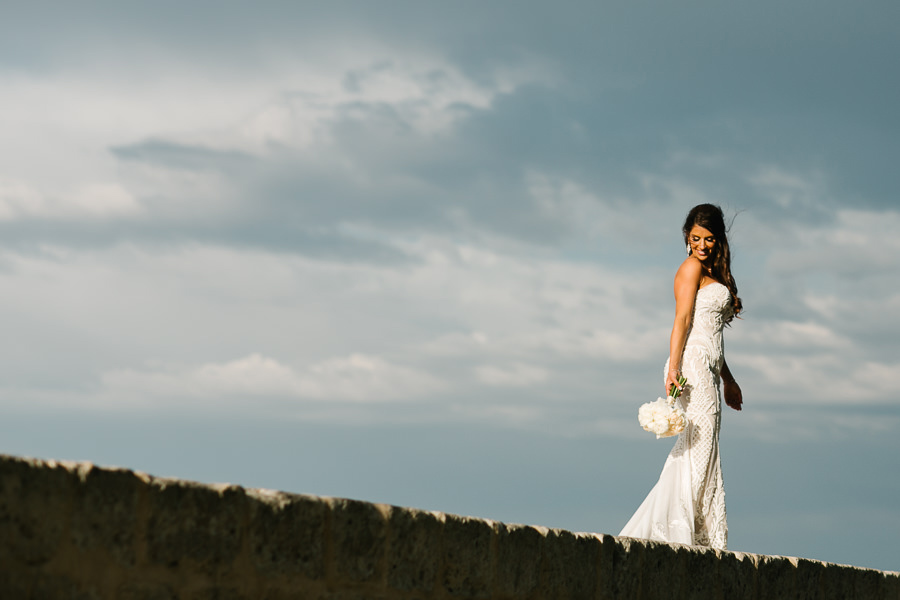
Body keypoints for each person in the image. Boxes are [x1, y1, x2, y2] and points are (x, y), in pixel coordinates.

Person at [619, 204, 743, 550]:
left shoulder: (713, 272)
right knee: (699, 445)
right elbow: (683, 320)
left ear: (719, 240)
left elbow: (712, 336)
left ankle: (691, 529)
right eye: (695, 239)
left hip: (709, 366)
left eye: (709, 239)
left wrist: (729, 379)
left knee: (701, 445)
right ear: (687, 239)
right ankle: (682, 532)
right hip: (691, 365)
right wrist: (673, 367)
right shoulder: (690, 267)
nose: (702, 245)